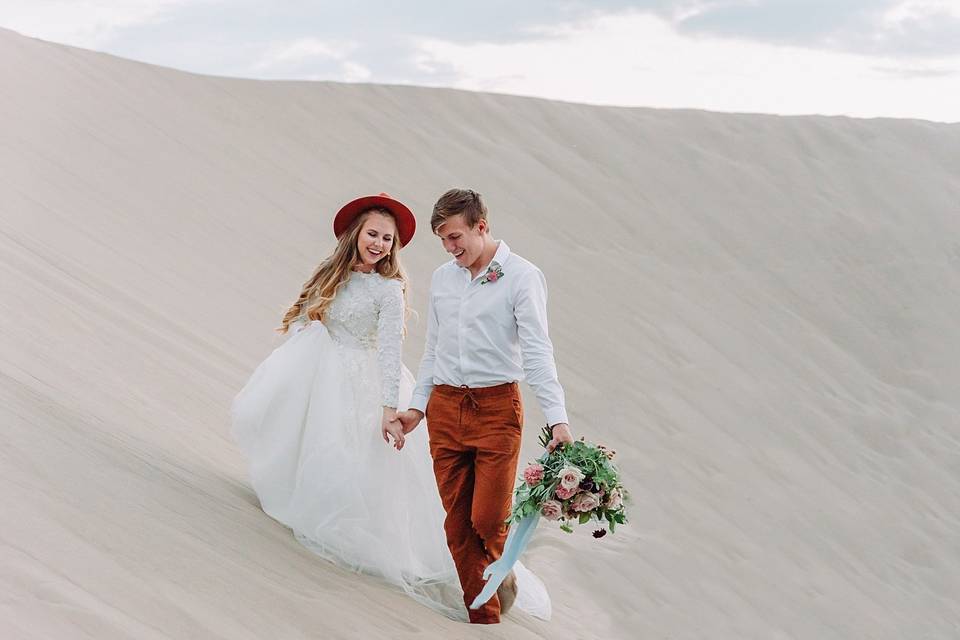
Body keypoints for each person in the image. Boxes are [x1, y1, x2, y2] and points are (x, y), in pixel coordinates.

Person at [231, 193, 549, 622]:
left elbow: (387, 350)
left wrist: (388, 406)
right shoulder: (334, 274)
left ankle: (485, 579)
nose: (379, 243)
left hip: (370, 382)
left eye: (388, 238)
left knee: (376, 474)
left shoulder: (390, 290)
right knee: (315, 447)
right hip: (321, 372)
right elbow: (311, 313)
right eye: (373, 234)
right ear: (356, 235)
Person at [397, 188, 574, 624]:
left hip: (497, 409)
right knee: (457, 527)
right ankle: (486, 619)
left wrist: (558, 420)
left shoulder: (522, 277)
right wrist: (417, 406)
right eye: (443, 240)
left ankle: (497, 579)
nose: (450, 248)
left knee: (489, 520)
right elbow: (432, 349)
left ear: (482, 227)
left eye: (456, 237)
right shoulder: (443, 278)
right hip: (445, 408)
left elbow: (537, 352)